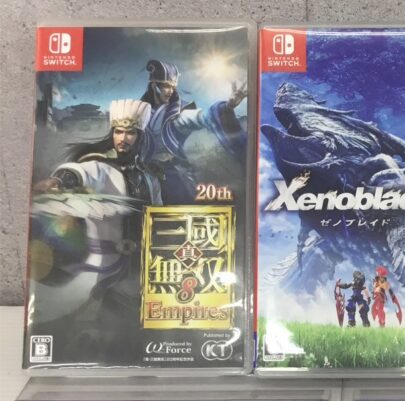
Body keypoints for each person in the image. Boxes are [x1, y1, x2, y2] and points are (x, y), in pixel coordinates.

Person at [32, 99, 161, 363]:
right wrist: (59, 180)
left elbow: (159, 215)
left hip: (145, 268)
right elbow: (81, 172)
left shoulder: (150, 177)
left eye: (130, 132)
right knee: (96, 331)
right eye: (118, 131)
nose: (122, 138)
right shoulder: (102, 167)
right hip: (103, 267)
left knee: (140, 333)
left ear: (140, 136)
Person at [139, 59, 248, 203]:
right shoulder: (138, 112)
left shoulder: (177, 115)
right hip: (140, 171)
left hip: (169, 173)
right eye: (166, 86)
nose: (170, 91)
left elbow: (203, 117)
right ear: (154, 85)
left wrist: (227, 107)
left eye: (173, 87)